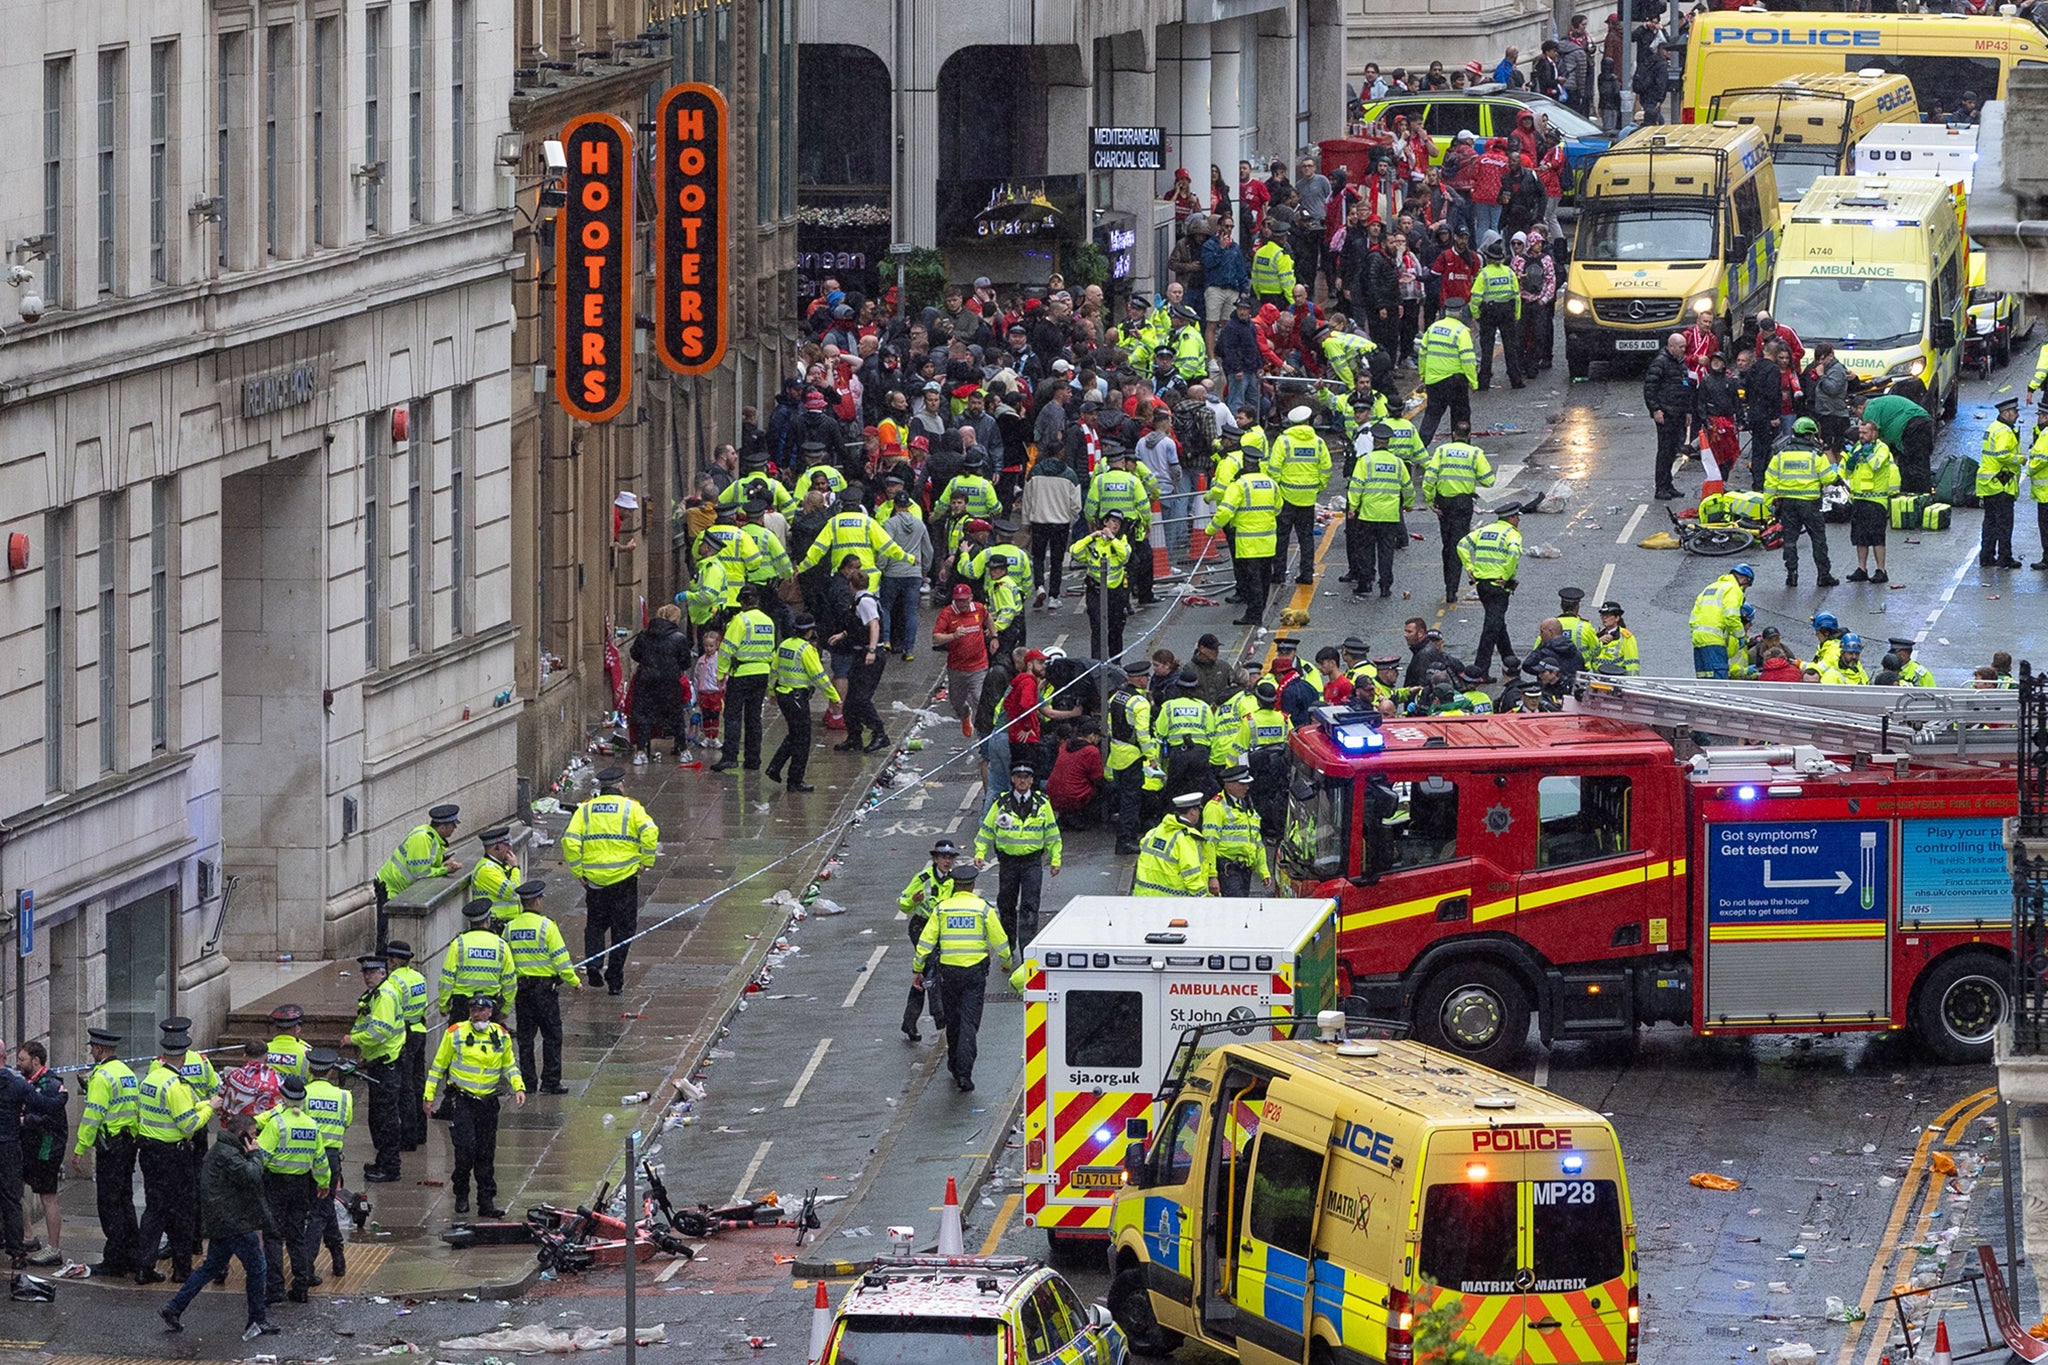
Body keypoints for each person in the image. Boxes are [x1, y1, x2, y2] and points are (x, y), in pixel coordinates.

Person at [158, 1114, 280, 1342]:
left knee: (210, 1268)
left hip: (222, 1221)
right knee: (258, 1268)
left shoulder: (223, 1150)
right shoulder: (228, 1154)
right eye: (253, 1135)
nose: (256, 1139)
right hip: (234, 1223)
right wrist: (255, 1153)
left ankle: (174, 1308)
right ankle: (257, 1318)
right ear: (241, 1134)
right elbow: (252, 1175)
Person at [910, 864, 1015, 1093]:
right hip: (975, 974)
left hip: (948, 973)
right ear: (973, 885)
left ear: (954, 885)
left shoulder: (942, 909)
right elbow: (1000, 941)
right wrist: (1006, 964)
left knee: (953, 1020)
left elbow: (926, 942)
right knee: (969, 1021)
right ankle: (964, 1073)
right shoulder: (983, 909)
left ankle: (954, 1064)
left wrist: (917, 968)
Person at [422, 996, 526, 1218]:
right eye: (473, 1010)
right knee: (464, 1151)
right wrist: (428, 1096)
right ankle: (461, 1194)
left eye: (481, 1010)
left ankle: (486, 1201)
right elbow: (438, 1067)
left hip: (488, 1103)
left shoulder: (501, 1035)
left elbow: (509, 1064)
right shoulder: (456, 1033)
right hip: (462, 1101)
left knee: (486, 1153)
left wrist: (519, 1087)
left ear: (490, 1012)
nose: (476, 1014)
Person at [562, 766, 660, 995]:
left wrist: (579, 872)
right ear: (619, 785)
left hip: (595, 882)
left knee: (595, 926)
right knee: (623, 931)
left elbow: (570, 841)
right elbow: (650, 831)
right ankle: (615, 977)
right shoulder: (631, 808)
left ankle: (594, 965)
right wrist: (646, 861)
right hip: (624, 880)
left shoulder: (585, 810)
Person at [137, 1031, 211, 1285]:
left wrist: (203, 1104)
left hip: (148, 1152)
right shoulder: (176, 1086)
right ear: (183, 1057)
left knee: (154, 1211)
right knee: (182, 1212)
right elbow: (189, 1124)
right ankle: (181, 1270)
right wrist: (211, 1108)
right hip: (173, 1156)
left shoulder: (151, 1078)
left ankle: (144, 1267)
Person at [73, 1026, 140, 1279]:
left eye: (92, 1048)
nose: (91, 1052)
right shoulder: (127, 1073)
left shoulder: (101, 1077)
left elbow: (93, 1116)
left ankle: (114, 1260)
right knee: (125, 1202)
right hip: (128, 1145)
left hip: (111, 1148)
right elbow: (134, 1109)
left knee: (109, 1205)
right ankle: (132, 1254)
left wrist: (80, 1148)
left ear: (99, 1050)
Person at [504, 880, 583, 1095]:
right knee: (552, 1035)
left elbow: (506, 960)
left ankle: (528, 1083)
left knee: (525, 1038)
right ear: (537, 901)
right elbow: (561, 958)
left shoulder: (510, 928)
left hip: (522, 991)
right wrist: (574, 980)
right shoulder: (547, 926)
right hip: (545, 992)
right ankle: (550, 1081)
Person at [973, 765, 1063, 946]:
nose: (1022, 780)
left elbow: (1052, 834)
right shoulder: (1001, 804)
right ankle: (1008, 945)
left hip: (1032, 862)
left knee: (1030, 906)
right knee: (1006, 905)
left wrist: (1056, 859)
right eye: (1018, 777)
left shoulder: (1043, 804)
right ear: (1013, 779)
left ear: (1031, 780)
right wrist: (980, 852)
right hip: (1008, 863)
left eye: (1026, 777)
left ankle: (1026, 949)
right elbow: (986, 830)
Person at [254, 1075, 323, 1305]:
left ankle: (275, 1289)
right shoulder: (312, 1125)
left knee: (273, 1237)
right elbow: (320, 1160)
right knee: (296, 1236)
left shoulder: (277, 1123)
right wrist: (323, 1183)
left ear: (282, 1097)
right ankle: (301, 1287)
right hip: (302, 1185)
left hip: (276, 1184)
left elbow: (261, 1157)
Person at [349, 953, 407, 1184]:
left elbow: (379, 1032)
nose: (367, 976)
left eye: (372, 972)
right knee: (378, 1118)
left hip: (387, 1065)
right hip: (379, 1062)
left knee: (386, 1119)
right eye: (365, 972)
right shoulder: (375, 995)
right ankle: (383, 1161)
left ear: (383, 973)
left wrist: (353, 1040)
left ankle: (390, 1167)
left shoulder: (384, 996)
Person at [764, 613, 838, 793]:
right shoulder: (806, 650)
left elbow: (774, 669)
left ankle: (775, 767)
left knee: (795, 734)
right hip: (797, 698)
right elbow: (820, 677)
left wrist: (772, 691)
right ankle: (795, 781)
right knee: (803, 740)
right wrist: (835, 698)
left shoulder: (784, 645)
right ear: (809, 631)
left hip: (783, 694)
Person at [1424, 423, 1496, 605]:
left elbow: (1429, 478)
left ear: (1454, 434)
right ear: (1469, 435)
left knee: (1446, 545)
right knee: (1458, 545)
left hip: (1444, 503)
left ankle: (1448, 584)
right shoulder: (1475, 453)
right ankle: (1452, 589)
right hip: (1463, 504)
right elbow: (1489, 480)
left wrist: (1431, 501)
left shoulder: (1441, 451)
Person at [1765, 417, 1842, 587]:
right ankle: (1823, 575)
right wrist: (1836, 478)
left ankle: (1791, 575)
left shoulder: (1780, 454)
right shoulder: (1816, 455)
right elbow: (1827, 477)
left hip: (1787, 504)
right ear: (1809, 435)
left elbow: (1770, 480)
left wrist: (1768, 504)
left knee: (1790, 540)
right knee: (1818, 539)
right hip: (1809, 504)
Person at [896, 842, 959, 1044]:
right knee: (932, 964)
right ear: (935, 859)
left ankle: (909, 1021)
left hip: (942, 929)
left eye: (950, 858)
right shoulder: (923, 878)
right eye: (943, 857)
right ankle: (939, 1016)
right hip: (921, 927)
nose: (947, 861)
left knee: (924, 972)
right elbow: (903, 903)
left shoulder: (956, 880)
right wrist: (913, 900)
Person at [1208, 451, 1281, 624]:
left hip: (1248, 542)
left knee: (1252, 580)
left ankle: (1253, 616)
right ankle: (1259, 611)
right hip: (1268, 541)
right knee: (1264, 579)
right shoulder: (1271, 483)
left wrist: (1211, 529)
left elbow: (1225, 511)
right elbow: (1278, 508)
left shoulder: (1239, 486)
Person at [300, 1049, 352, 1286]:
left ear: (310, 1070)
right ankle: (337, 1257)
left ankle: (306, 1268)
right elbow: (347, 1122)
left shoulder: (303, 1094)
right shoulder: (344, 1096)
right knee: (323, 1209)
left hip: (305, 1157)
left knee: (318, 1212)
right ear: (331, 1071)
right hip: (331, 1158)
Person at [711, 585, 778, 772]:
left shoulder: (740, 621)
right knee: (754, 718)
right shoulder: (768, 621)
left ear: (741, 602)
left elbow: (726, 649)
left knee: (733, 717)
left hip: (741, 674)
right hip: (762, 673)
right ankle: (753, 759)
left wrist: (720, 673)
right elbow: (770, 648)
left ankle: (730, 757)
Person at [374, 804, 462, 942]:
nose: (455, 828)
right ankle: (383, 961)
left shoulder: (432, 837)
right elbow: (421, 873)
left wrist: (442, 864)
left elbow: (428, 864)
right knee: (387, 935)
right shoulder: (423, 838)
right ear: (443, 827)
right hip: (390, 889)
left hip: (397, 888)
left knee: (390, 934)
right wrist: (445, 870)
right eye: (453, 825)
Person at [1459, 502, 1525, 681]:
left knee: (1497, 624)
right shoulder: (1512, 533)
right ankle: (1480, 670)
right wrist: (1506, 574)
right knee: (1491, 627)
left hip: (1482, 586)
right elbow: (1513, 553)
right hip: (1498, 586)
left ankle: (1510, 661)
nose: (1518, 520)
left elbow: (1462, 545)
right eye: (1517, 517)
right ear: (1511, 518)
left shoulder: (1485, 530)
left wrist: (1469, 567)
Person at [15, 1043, 67, 1273]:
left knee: (48, 1197)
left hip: (47, 1148)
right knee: (15, 1190)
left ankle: (54, 1249)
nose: (18, 1063)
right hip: (28, 1147)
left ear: (35, 1061)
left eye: (22, 1059)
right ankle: (28, 1236)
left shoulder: (50, 1084)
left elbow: (52, 1120)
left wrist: (27, 1121)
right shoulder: (28, 1082)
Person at [1348, 424, 1413, 599]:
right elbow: (1407, 487)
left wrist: (1353, 507)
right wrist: (1408, 503)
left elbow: (1356, 486)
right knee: (1386, 552)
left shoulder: (1365, 461)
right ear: (1388, 442)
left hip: (1368, 514)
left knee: (1366, 550)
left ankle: (1366, 583)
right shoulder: (1398, 463)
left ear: (1374, 442)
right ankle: (1385, 586)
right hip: (1390, 516)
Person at [832, 564, 891, 754]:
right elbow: (860, 625)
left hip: (869, 655)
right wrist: (843, 634)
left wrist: (872, 650)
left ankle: (879, 732)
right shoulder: (860, 601)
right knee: (850, 700)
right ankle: (854, 737)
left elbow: (873, 625)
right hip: (860, 653)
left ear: (851, 584)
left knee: (861, 698)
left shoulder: (865, 601)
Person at [1271, 406, 1332, 584]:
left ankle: (1279, 573)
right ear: (1308, 421)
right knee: (1306, 538)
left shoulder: (1284, 441)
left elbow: (1274, 468)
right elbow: (1326, 468)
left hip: (1286, 496)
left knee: (1282, 537)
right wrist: (1318, 486)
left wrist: (1279, 488)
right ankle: (1306, 574)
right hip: (1308, 497)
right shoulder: (1318, 442)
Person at [1104, 661, 1158, 856]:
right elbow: (1143, 734)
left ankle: (1125, 838)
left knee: (1124, 799)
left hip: (1118, 753)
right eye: (1145, 677)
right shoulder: (1140, 703)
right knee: (1131, 801)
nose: (1147, 680)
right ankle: (1127, 841)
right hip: (1133, 756)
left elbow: (1110, 726)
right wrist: (1152, 757)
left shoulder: (1116, 697)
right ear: (1139, 678)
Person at [627, 605, 693, 762]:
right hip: (669, 682)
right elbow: (686, 662)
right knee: (675, 716)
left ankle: (641, 752)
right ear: (675, 619)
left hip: (646, 681)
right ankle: (683, 750)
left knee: (643, 715)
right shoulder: (679, 638)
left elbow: (634, 654)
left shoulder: (644, 634)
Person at [382, 940, 430, 1151]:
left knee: (406, 1088)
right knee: (419, 1083)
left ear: (394, 960)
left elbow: (393, 1012)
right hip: (420, 1030)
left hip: (405, 1035)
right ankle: (421, 1132)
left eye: (389, 958)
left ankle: (408, 1136)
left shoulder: (393, 981)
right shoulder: (418, 977)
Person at [1842, 418, 1901, 583]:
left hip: (1876, 501)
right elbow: (1847, 472)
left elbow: (1875, 465)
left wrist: (1866, 453)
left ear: (1874, 433)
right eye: (1860, 432)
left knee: (1877, 537)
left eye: (1865, 432)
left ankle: (1881, 570)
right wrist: (1852, 460)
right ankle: (1862, 569)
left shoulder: (1882, 448)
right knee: (1860, 537)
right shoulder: (1858, 447)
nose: (1861, 435)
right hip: (1859, 498)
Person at [438, 899, 517, 1021]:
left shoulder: (458, 944)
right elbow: (510, 981)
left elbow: (447, 978)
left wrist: (444, 1005)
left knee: (459, 1039)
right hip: (489, 1007)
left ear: (470, 922)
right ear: (488, 919)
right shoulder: (501, 945)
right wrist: (505, 1008)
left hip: (462, 1006)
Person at [1073, 512, 1133, 660]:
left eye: (1118, 523)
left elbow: (1125, 556)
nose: (1115, 525)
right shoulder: (1094, 542)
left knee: (1116, 630)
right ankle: (1096, 664)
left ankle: (1115, 662)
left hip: (1115, 593)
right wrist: (1091, 536)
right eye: (1113, 521)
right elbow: (1075, 551)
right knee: (1098, 629)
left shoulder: (1121, 540)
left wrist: (1112, 539)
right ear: (1105, 522)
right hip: (1096, 591)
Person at [1204, 768, 1271, 896]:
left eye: (1247, 783)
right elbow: (1209, 843)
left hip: (1245, 869)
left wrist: (1263, 871)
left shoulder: (1247, 806)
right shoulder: (1215, 808)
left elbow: (1257, 842)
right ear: (1229, 784)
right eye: (1242, 784)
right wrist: (1212, 875)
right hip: (1227, 870)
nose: (1246, 787)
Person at [1644, 332, 1693, 501]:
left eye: (1684, 347)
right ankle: (1661, 487)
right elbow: (1650, 389)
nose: (1683, 350)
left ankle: (1668, 484)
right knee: (1665, 451)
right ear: (1671, 346)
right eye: (1680, 347)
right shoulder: (1661, 363)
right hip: (1666, 414)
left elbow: (1685, 388)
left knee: (1673, 450)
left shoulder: (1680, 364)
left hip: (1678, 413)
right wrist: (1656, 410)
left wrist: (1688, 411)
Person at [1135, 793, 1210, 895]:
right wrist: (1203, 900)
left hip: (1144, 895)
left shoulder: (1156, 831)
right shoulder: (1185, 839)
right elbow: (1191, 876)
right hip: (1172, 902)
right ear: (1192, 812)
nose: (1199, 814)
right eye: (1198, 810)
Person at [1980, 396, 2024, 568]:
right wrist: (2020, 459)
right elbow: (2002, 455)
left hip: (1989, 483)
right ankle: (2005, 557)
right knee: (2004, 523)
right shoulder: (2004, 431)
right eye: (2014, 411)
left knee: (1990, 522)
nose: (2017, 414)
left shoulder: (1993, 428)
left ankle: (1987, 556)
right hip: (2001, 483)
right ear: (2005, 413)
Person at [1688, 564, 1752, 679]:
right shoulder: (1733, 589)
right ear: (1743, 579)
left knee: (1703, 678)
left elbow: (1694, 615)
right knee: (1719, 678)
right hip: (1714, 640)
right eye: (1746, 586)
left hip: (1698, 638)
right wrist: (1741, 636)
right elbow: (1731, 615)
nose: (1744, 590)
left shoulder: (1710, 587)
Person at [470, 827, 523, 926]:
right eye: (506, 845)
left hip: (506, 923)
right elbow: (512, 891)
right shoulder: (486, 870)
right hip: (495, 924)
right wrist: (515, 868)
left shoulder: (500, 865)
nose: (509, 849)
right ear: (496, 847)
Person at [265, 1004, 310, 1084]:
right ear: (297, 1029)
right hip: (298, 1095)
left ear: (275, 1028)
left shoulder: (263, 1050)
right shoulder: (307, 1052)